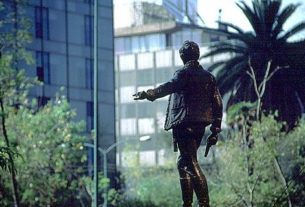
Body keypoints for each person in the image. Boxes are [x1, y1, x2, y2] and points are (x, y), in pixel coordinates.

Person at [133, 40, 223, 207]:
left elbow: (169, 87)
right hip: (200, 125)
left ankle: (204, 203)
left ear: (183, 57)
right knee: (183, 162)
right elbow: (218, 103)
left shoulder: (183, 74)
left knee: (190, 162)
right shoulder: (209, 77)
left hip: (185, 124)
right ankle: (187, 203)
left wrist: (148, 93)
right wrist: (215, 129)